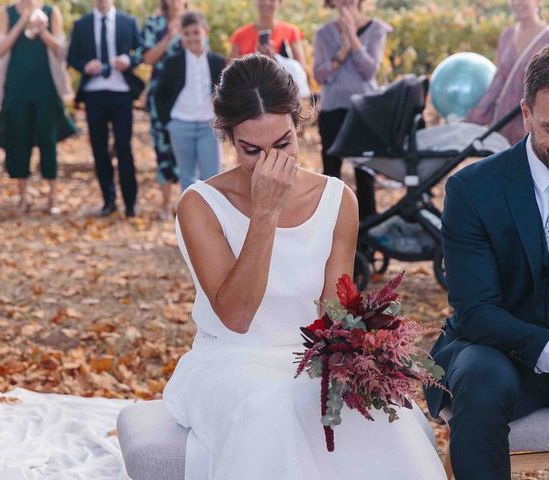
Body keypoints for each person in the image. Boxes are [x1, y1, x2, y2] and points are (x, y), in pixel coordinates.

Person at [162, 54, 447, 480]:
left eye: (283, 144)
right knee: (270, 411)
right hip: (230, 362)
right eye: (251, 150)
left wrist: (361, 353)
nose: (270, 163)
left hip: (309, 358)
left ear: (299, 125)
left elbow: (333, 315)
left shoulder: (337, 199)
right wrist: (265, 215)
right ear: (228, 138)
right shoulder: (200, 205)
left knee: (389, 422)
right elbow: (237, 317)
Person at [425, 38, 549, 480]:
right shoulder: (472, 190)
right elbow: (476, 311)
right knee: (480, 379)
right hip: (496, 354)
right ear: (524, 115)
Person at [0, 0, 76, 214]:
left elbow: (61, 51)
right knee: (18, 139)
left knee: (48, 139)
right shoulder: (6, 13)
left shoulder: (50, 11)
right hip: (16, 88)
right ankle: (22, 196)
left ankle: (52, 196)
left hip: (45, 87)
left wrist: (43, 31)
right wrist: (21, 22)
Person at [313, 0, 391, 220]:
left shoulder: (376, 29)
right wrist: (343, 50)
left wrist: (352, 37)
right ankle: (329, 231)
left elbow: (369, 70)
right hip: (332, 111)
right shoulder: (323, 34)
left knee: (365, 175)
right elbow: (320, 75)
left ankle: (367, 240)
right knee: (331, 176)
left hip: (364, 112)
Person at [67, 0, 144, 218]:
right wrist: (85, 66)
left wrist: (128, 59)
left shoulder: (128, 22)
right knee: (99, 149)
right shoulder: (82, 24)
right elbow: (72, 57)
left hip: (121, 93)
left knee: (124, 148)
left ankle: (130, 202)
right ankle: (108, 200)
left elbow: (140, 51)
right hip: (94, 94)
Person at [154, 11, 224, 192]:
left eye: (196, 32)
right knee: (187, 178)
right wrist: (169, 123)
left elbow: (226, 93)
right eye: (187, 33)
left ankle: (213, 217)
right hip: (180, 125)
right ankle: (189, 218)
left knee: (212, 177)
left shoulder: (217, 62)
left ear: (205, 32)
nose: (192, 37)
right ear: (181, 36)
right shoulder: (172, 63)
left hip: (209, 126)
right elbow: (159, 95)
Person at [466, 0, 549, 145]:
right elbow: (498, 81)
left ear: (538, 2)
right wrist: (476, 117)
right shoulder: (507, 35)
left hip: (532, 120)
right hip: (503, 120)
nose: (518, 3)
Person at [139, 0, 186, 220]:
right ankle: (166, 203)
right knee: (163, 148)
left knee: (186, 149)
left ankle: (186, 202)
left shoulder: (192, 21)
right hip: (160, 95)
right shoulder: (154, 23)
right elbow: (148, 58)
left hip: (187, 94)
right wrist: (168, 37)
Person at [229, 0, 306, 69]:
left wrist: (276, 58)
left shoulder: (291, 32)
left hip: (280, 83)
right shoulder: (240, 35)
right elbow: (229, 68)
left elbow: (300, 68)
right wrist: (254, 58)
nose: (266, 2)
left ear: (280, 2)